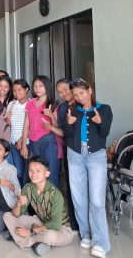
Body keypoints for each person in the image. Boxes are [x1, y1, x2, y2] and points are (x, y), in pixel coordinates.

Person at [62, 79, 112, 258]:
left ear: (90, 90)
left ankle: (101, 243)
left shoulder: (104, 109)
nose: (79, 97)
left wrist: (100, 122)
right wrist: (68, 123)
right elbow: (68, 135)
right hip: (75, 155)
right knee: (79, 198)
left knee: (97, 201)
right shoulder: (72, 110)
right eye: (75, 95)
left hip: (96, 156)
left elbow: (105, 133)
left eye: (81, 93)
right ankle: (86, 235)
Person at [3, 156, 73, 256]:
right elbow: (16, 215)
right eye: (31, 170)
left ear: (47, 174)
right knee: (7, 216)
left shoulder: (55, 194)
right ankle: (36, 243)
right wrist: (18, 204)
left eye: (38, 171)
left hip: (61, 230)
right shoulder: (28, 188)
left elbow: (56, 224)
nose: (33, 174)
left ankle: (24, 239)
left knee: (50, 236)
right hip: (41, 223)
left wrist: (30, 231)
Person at [21, 76, 60, 187]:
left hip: (49, 141)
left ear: (47, 87)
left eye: (41, 86)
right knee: (31, 173)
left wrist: (51, 115)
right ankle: (32, 198)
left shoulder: (53, 104)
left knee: (50, 173)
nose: (37, 89)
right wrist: (23, 145)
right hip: (33, 142)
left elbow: (57, 127)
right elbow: (26, 125)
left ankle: (51, 198)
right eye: (35, 86)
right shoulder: (30, 103)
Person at [55, 78, 79, 230]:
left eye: (65, 89)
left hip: (85, 151)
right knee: (71, 187)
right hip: (69, 149)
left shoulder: (82, 104)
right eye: (59, 92)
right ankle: (74, 223)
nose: (63, 94)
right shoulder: (62, 108)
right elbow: (64, 131)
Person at [6, 79, 30, 184]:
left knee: (28, 172)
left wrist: (21, 141)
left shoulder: (31, 104)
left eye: (19, 90)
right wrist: (8, 118)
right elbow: (8, 123)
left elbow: (32, 126)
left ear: (26, 89)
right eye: (14, 90)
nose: (17, 93)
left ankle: (27, 193)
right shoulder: (11, 104)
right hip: (13, 143)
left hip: (27, 143)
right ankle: (19, 192)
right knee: (18, 171)